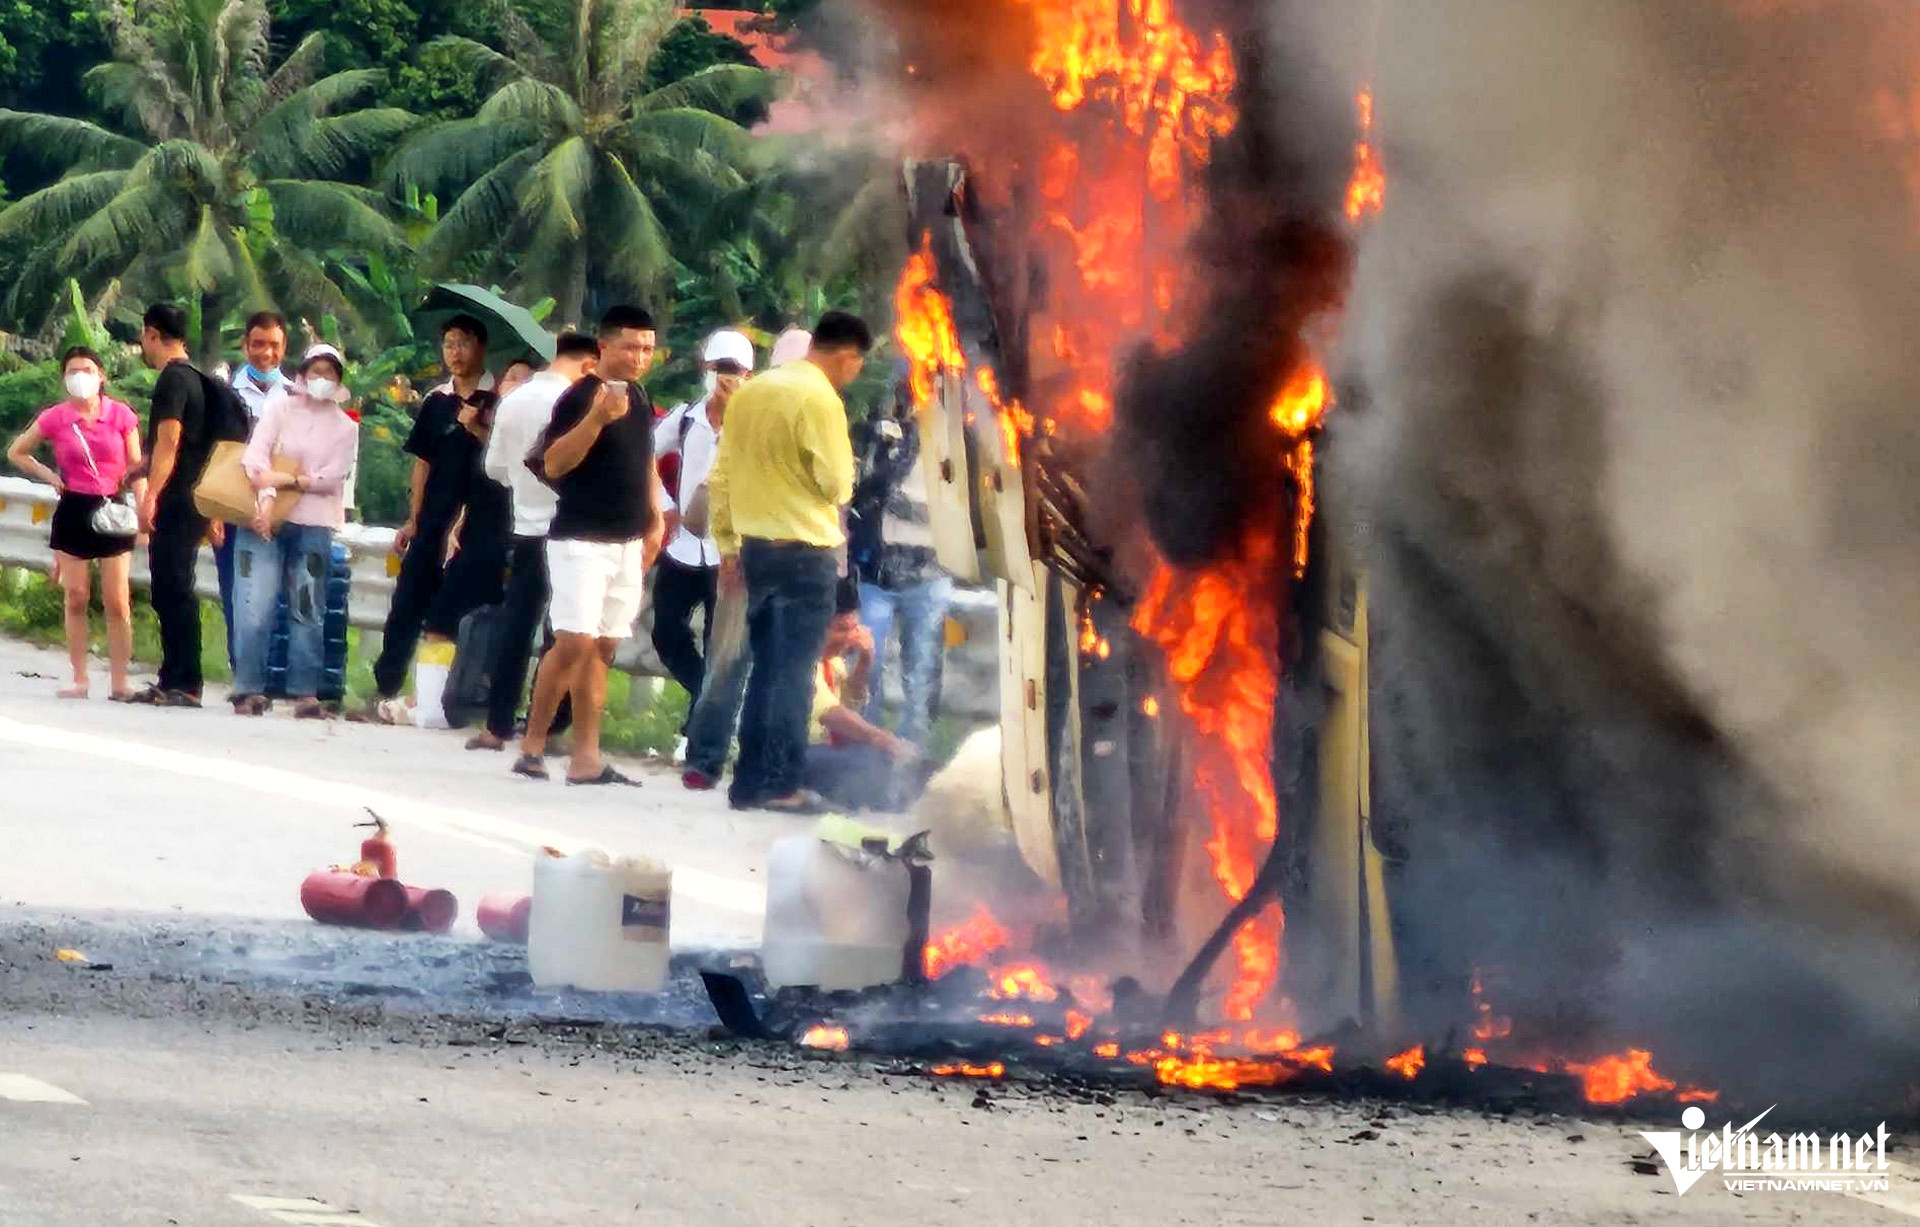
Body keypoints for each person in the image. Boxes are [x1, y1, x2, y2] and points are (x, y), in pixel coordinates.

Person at [707, 311, 873, 813]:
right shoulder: (821, 398)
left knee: (765, 668)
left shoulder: (752, 393)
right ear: (847, 355)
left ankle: (748, 782)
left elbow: (723, 476)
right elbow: (836, 483)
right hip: (806, 552)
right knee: (795, 672)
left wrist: (728, 544)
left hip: (756, 546)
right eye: (857, 365)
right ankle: (781, 783)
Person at [514, 306, 666, 786]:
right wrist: (597, 419)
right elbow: (555, 463)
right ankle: (532, 745)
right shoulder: (580, 397)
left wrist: (656, 516)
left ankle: (586, 758)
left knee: (602, 648)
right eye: (629, 346)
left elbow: (644, 462)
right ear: (604, 346)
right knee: (573, 642)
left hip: (626, 541)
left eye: (646, 348)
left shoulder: (639, 397)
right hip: (579, 539)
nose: (639, 357)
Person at [681, 328, 811, 792]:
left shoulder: (820, 416)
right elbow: (721, 484)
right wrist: (730, 549)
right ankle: (705, 758)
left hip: (799, 560)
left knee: (784, 671)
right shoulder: (751, 414)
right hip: (750, 554)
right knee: (727, 663)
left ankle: (762, 767)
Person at [469, 332, 600, 751]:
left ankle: (496, 723)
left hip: (525, 528)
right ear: (588, 365)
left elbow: (494, 469)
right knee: (564, 633)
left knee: (516, 623)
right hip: (569, 529)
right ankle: (548, 726)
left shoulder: (514, 399)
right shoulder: (579, 403)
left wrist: (523, 489)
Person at [365, 315, 497, 718]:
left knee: (454, 613)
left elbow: (504, 463)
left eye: (464, 344)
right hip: (433, 519)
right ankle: (385, 687)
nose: (455, 353)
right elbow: (422, 462)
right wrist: (413, 517)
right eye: (449, 344)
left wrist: (479, 429)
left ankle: (447, 699)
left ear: (482, 348)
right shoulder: (436, 401)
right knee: (405, 605)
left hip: (475, 523)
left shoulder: (498, 402)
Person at [229, 344, 359, 719]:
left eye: (329, 374)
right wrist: (269, 495)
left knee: (308, 608)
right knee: (254, 605)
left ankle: (305, 692)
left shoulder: (345, 426)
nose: (321, 379)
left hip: (315, 524)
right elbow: (255, 459)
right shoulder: (280, 408)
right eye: (315, 371)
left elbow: (333, 477)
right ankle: (248, 688)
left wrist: (287, 480)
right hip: (264, 518)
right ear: (302, 374)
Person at [6, 347, 144, 700]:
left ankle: (119, 681)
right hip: (73, 507)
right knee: (76, 596)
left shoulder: (121, 416)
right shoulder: (56, 417)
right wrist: (49, 474)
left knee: (117, 600)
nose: (79, 377)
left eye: (86, 369)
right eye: (72, 371)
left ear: (101, 375)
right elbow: (17, 451)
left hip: (111, 508)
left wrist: (143, 509)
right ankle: (80, 678)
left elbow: (136, 466)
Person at [651, 330, 754, 720]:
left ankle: (701, 727)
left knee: (719, 645)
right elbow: (647, 453)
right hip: (683, 545)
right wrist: (665, 505)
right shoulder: (684, 419)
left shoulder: (753, 426)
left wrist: (736, 416)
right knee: (666, 632)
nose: (726, 378)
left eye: (735, 371)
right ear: (706, 370)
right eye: (719, 369)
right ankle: (703, 697)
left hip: (728, 551)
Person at [850, 377, 954, 752]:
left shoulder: (957, 440)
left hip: (930, 573)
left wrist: (904, 505)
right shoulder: (881, 432)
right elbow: (856, 489)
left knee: (923, 673)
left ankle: (914, 757)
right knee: (865, 666)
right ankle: (863, 753)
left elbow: (962, 510)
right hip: (875, 572)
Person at [133, 302, 225, 708]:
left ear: (152, 334)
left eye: (144, 336)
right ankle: (173, 676)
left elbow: (170, 442)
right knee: (173, 586)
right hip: (197, 496)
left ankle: (185, 681)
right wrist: (139, 468)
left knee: (172, 587)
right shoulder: (198, 379)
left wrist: (150, 495)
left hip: (176, 498)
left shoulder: (172, 380)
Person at [801, 581, 925, 811]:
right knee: (863, 766)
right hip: (796, 753)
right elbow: (830, 713)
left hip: (827, 749)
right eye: (841, 629)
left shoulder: (834, 660)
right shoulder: (800, 657)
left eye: (854, 628)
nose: (850, 637)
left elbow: (851, 706)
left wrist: (865, 660)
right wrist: (880, 737)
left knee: (881, 760)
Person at [215, 311, 289, 661]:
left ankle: (274, 670)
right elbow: (213, 454)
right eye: (258, 344)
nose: (266, 353)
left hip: (282, 508)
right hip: (234, 506)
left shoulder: (295, 397)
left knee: (279, 592)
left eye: (273, 345)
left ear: (284, 348)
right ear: (245, 346)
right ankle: (242, 670)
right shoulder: (226, 395)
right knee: (235, 589)